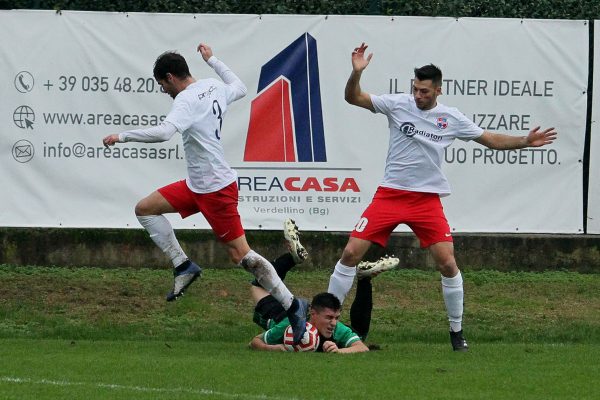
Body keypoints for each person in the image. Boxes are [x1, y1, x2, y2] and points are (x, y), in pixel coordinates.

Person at [327, 43, 558, 352]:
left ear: (438, 90)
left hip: (426, 201)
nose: (418, 95)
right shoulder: (397, 104)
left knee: (448, 263)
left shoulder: (451, 118)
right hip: (390, 195)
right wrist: (356, 74)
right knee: (350, 254)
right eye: (415, 89)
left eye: (424, 91)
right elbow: (352, 97)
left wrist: (524, 141)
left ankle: (456, 332)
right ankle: (326, 328)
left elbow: (490, 140)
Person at [102, 43, 308, 344]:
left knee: (242, 255)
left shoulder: (185, 100)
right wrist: (213, 61)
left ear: (171, 77)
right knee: (145, 208)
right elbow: (238, 86)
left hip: (216, 190)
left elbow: (162, 133)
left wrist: (121, 136)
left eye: (162, 85)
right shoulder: (213, 86)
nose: (164, 91)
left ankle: (292, 306)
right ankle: (184, 265)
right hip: (196, 185)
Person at [249, 219, 398, 353]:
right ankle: (363, 280)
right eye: (329, 318)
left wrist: (339, 351)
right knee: (258, 286)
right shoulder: (290, 325)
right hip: (279, 315)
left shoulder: (336, 328)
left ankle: (293, 258)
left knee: (358, 335)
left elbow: (362, 348)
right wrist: (272, 348)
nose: (333, 323)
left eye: (336, 317)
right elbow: (255, 342)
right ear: (312, 314)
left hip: (294, 311)